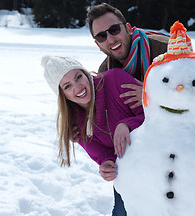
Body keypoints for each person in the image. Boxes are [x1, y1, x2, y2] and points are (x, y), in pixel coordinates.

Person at [87, 2, 195, 215]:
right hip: (140, 151)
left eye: (114, 30)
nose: (110, 39)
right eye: (102, 36)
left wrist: (152, 97)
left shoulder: (165, 50)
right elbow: (108, 124)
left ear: (128, 27)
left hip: (185, 143)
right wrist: (99, 152)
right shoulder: (105, 72)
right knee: (124, 209)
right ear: (97, 44)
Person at [41, 55, 145, 215]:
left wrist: (127, 125)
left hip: (158, 159)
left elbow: (156, 117)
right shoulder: (74, 121)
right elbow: (103, 153)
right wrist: (107, 163)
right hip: (129, 172)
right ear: (62, 95)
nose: (78, 87)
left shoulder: (116, 80)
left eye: (79, 77)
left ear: (85, 73)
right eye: (68, 86)